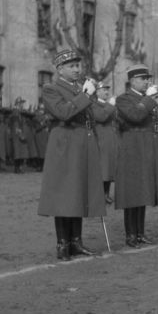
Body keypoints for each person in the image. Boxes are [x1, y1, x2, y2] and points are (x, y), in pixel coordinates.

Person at [37, 49, 108, 261]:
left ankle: (76, 241)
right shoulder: (51, 88)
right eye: (72, 66)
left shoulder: (80, 87)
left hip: (82, 144)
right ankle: (62, 243)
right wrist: (85, 96)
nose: (77, 69)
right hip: (64, 145)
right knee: (64, 194)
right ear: (60, 69)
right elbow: (63, 112)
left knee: (79, 192)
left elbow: (93, 115)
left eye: (78, 65)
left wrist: (91, 95)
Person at [115, 64, 158, 248]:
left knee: (143, 190)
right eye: (142, 79)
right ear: (132, 81)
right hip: (132, 147)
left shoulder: (148, 100)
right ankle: (130, 234)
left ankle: (139, 232)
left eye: (147, 79)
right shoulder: (124, 99)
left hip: (147, 147)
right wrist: (148, 100)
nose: (146, 82)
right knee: (132, 193)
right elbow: (135, 115)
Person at [94, 80, 118, 204]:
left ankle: (106, 193)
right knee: (103, 169)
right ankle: (100, 195)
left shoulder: (109, 105)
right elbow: (101, 117)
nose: (106, 92)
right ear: (97, 92)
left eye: (107, 90)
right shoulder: (94, 104)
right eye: (104, 90)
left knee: (109, 169)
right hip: (101, 140)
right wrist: (111, 105)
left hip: (110, 140)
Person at [10, 97, 29, 173]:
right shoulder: (15, 112)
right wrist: (20, 134)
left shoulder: (20, 112)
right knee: (17, 152)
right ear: (17, 104)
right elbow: (16, 124)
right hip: (17, 135)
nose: (22, 104)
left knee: (22, 152)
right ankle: (17, 168)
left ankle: (19, 167)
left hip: (20, 133)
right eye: (21, 103)